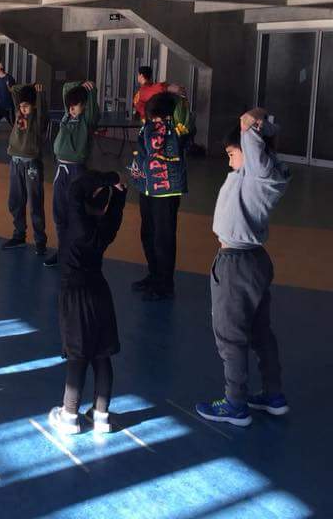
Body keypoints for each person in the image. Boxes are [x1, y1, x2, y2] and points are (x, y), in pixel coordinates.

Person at [194, 109, 290, 427]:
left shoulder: (257, 173)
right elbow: (258, 137)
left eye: (232, 154)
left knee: (230, 336)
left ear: (250, 151)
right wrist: (262, 127)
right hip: (254, 261)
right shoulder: (263, 174)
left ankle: (235, 403)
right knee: (260, 332)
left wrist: (252, 123)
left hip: (236, 264)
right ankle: (273, 395)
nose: (229, 161)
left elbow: (249, 126)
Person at [48, 170, 126, 435]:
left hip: (75, 295)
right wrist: (119, 192)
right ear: (103, 208)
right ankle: (102, 415)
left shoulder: (75, 222)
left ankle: (69, 415)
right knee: (102, 354)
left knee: (77, 355)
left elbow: (76, 188)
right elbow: (115, 212)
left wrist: (111, 177)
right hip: (100, 293)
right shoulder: (105, 229)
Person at [129, 92, 189, 301]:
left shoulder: (177, 129)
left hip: (166, 191)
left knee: (163, 238)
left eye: (157, 117)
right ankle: (154, 275)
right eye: (151, 117)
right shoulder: (147, 127)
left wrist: (177, 98)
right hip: (147, 188)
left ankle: (164, 284)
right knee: (148, 234)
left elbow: (184, 114)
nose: (153, 121)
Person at [44, 81, 98, 268]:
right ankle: (63, 251)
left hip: (77, 171)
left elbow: (90, 105)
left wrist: (90, 90)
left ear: (84, 105)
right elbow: (66, 88)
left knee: (77, 213)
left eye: (76, 106)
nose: (72, 109)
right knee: (59, 213)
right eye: (70, 106)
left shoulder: (87, 120)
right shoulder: (67, 116)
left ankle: (77, 253)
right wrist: (79, 84)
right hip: (61, 170)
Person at [2, 83, 49, 255]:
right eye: (21, 106)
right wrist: (28, 87)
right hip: (16, 163)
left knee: (35, 203)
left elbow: (42, 112)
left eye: (26, 106)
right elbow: (15, 90)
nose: (22, 109)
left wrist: (39, 94)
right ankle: (19, 235)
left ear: (34, 106)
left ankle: (40, 240)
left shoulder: (37, 119)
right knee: (15, 201)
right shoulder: (19, 114)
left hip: (31, 165)